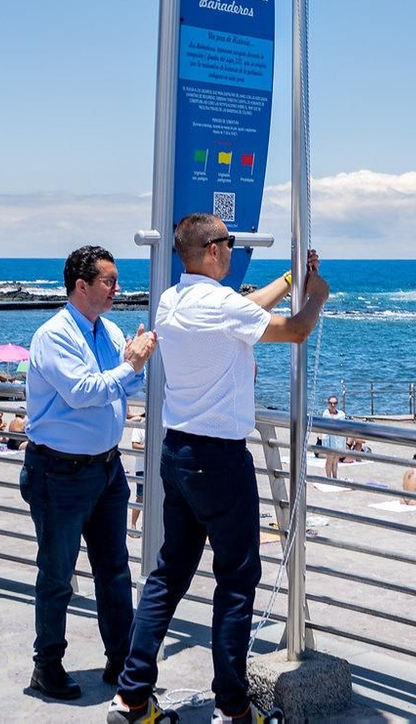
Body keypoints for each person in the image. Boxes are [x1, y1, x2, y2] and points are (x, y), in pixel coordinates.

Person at [110, 218, 330, 724]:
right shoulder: (222, 305)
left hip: (178, 454)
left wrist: (289, 278)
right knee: (235, 582)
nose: (232, 249)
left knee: (169, 574)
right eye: (229, 242)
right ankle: (233, 708)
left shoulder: (171, 301)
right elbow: (296, 330)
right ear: (212, 250)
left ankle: (132, 697)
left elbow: (246, 310)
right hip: (221, 461)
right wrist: (315, 295)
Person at [20, 244, 157, 701]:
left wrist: (131, 366)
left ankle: (121, 658)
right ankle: (47, 665)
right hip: (59, 471)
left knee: (114, 569)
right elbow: (82, 392)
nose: (117, 288)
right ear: (82, 286)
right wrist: (130, 364)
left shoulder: (109, 330)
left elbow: (128, 384)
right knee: (57, 573)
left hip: (106, 468)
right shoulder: (54, 335)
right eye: (108, 281)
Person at [318, 393, 350, 480]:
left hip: (338, 440)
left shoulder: (341, 414)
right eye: (331, 403)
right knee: (329, 460)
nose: (333, 405)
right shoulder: (325, 414)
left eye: (335, 403)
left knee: (335, 460)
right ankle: (328, 478)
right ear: (328, 403)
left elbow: (343, 427)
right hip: (328, 440)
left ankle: (335, 477)